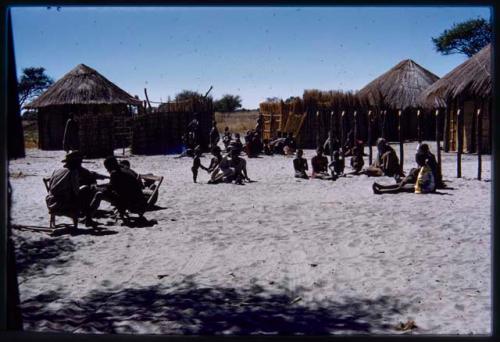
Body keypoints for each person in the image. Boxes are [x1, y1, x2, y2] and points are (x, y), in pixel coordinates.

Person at [46, 151, 102, 228]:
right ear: (75, 162)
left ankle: (87, 217)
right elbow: (76, 192)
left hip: (50, 202)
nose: (81, 163)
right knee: (88, 191)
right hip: (62, 204)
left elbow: (50, 187)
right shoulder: (73, 171)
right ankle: (88, 218)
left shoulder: (57, 170)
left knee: (85, 191)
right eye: (80, 161)